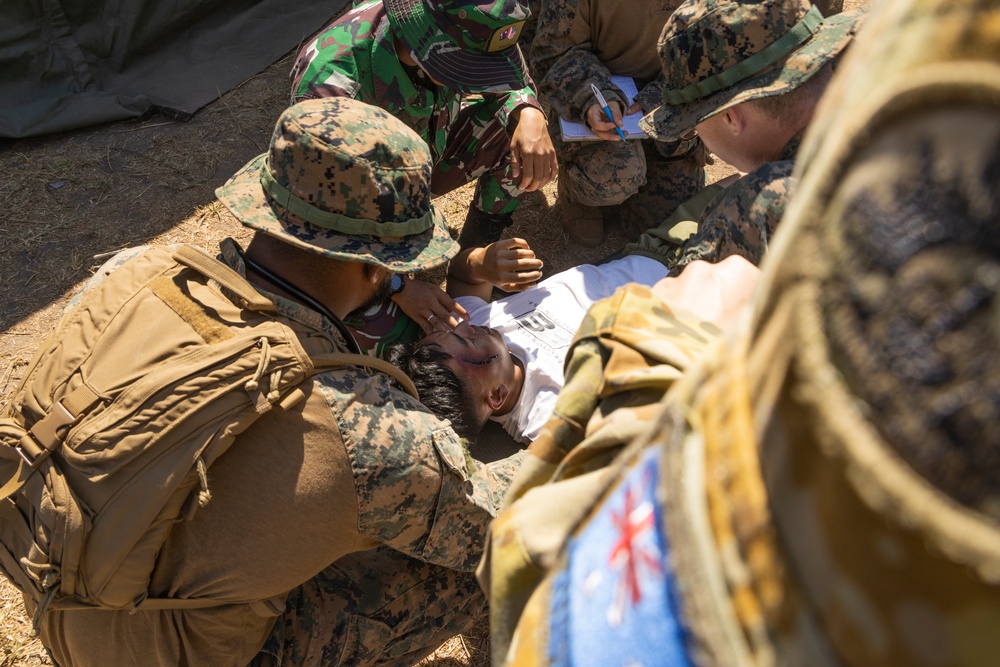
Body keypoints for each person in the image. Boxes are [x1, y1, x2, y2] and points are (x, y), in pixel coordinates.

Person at [481, 0, 1000, 664]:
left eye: (698, 126)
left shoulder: (766, 208)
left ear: (733, 117)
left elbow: (543, 584)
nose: (700, 143)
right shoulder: (930, 105)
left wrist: (648, 348)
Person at [24, 97, 526, 667]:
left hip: (67, 600)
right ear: (377, 268)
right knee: (467, 565)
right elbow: (511, 522)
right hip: (173, 649)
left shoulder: (137, 276)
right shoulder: (367, 427)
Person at [291, 0, 558, 337]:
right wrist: (398, 285)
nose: (479, 79)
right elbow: (328, 215)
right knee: (395, 332)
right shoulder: (331, 88)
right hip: (361, 199)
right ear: (425, 43)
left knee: (517, 135)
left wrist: (528, 111)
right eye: (470, 69)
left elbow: (502, 72)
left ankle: (472, 255)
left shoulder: (467, 25)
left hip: (425, 158)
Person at [628, 0, 862, 274]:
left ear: (730, 117)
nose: (696, 134)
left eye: (694, 122)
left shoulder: (759, 204)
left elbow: (686, 299)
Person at [391, 253, 671, 443]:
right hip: (694, 299)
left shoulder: (477, 333)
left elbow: (463, 278)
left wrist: (482, 261)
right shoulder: (547, 415)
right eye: (464, 339)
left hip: (645, 253)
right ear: (497, 396)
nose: (464, 326)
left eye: (453, 332)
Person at [529, 0, 707, 246]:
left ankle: (645, 173)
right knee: (612, 178)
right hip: (598, 100)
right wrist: (591, 97)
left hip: (672, 108)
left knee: (664, 227)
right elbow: (553, 51)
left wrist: (661, 95)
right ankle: (577, 192)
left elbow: (718, 43)